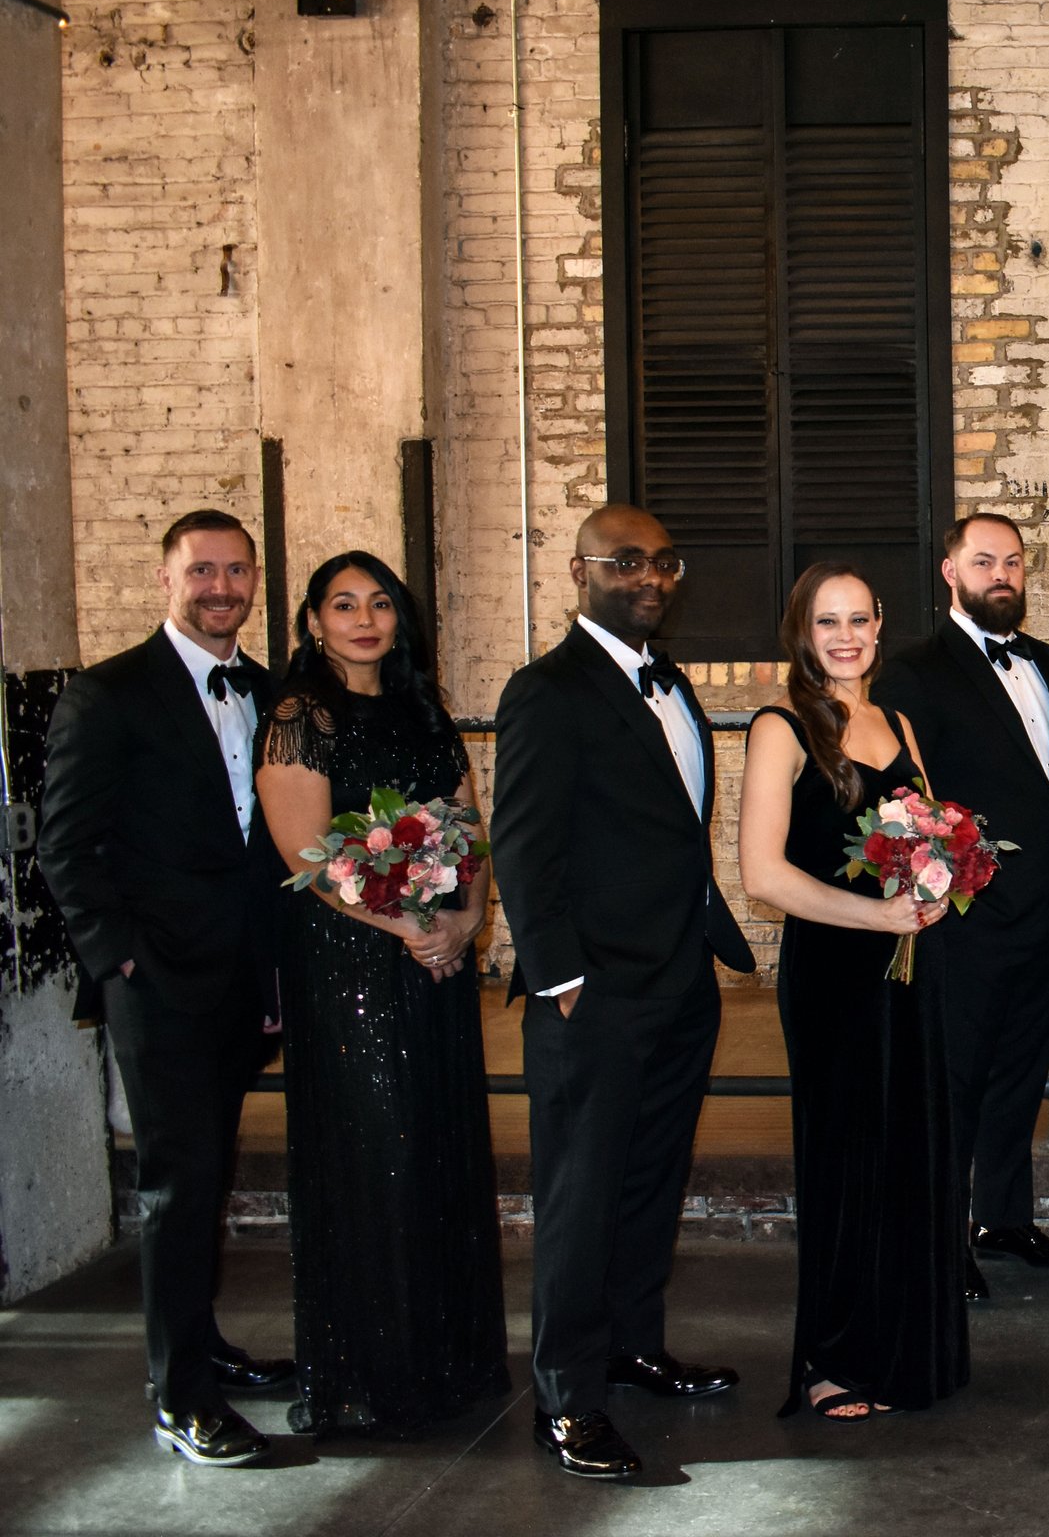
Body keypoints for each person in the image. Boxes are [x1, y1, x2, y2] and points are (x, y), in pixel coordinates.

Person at [493, 504, 757, 1479]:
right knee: (579, 1193)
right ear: (581, 569)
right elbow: (522, 845)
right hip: (594, 991)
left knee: (649, 1179)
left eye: (663, 562)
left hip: (680, 974)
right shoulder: (545, 690)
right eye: (626, 561)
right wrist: (562, 979)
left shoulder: (670, 679)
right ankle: (566, 1398)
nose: (649, 576)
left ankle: (631, 1343)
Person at [37, 508, 295, 1466]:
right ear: (166, 579)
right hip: (158, 984)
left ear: (255, 580)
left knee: (210, 1172)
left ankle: (206, 1345)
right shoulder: (106, 695)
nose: (220, 588)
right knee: (175, 1184)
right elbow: (65, 847)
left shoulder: (269, 693)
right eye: (201, 572)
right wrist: (121, 962)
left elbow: (268, 848)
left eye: (236, 572)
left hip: (237, 981)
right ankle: (178, 1394)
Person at [254, 551, 508, 1434]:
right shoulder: (298, 714)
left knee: (437, 1144)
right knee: (374, 1155)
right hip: (350, 966)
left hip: (435, 960)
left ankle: (449, 1362)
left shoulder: (421, 708)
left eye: (379, 605)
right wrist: (407, 928)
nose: (364, 619)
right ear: (314, 622)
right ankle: (372, 1376)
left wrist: (467, 918)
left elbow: (467, 825)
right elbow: (305, 857)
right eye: (342, 604)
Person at [738, 563, 965, 1420]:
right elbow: (762, 874)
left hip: (912, 967)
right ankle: (831, 1361)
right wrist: (880, 920)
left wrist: (945, 884)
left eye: (859, 620)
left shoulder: (896, 719)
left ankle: (910, 1347)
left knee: (913, 1150)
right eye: (826, 622)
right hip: (835, 972)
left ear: (880, 625)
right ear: (802, 631)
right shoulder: (781, 726)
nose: (844, 636)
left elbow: (938, 836)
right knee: (845, 1160)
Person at [877, 514, 1049, 1295]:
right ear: (950, 572)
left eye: (1011, 561)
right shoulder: (912, 672)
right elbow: (907, 800)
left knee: (1020, 1071)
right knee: (957, 1080)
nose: (1000, 574)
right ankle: (941, 1242)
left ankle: (1001, 1218)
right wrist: (944, 892)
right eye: (983, 561)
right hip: (968, 916)